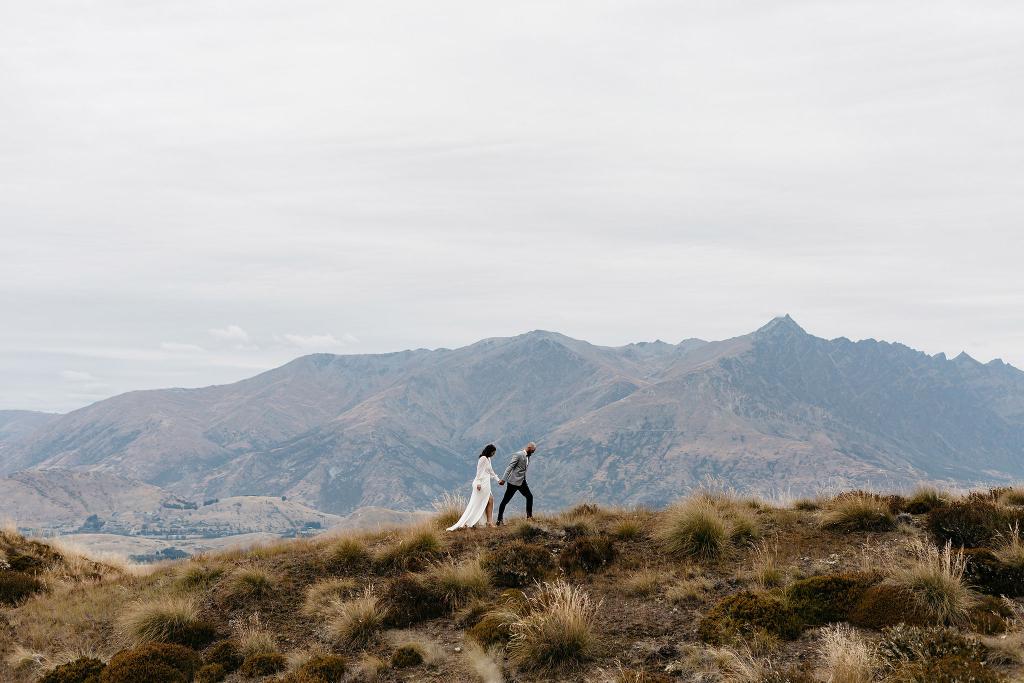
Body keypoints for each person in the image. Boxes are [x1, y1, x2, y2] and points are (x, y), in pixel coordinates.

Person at [446, 444, 503, 531]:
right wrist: (479, 483)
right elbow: (479, 471)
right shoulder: (483, 458)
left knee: (489, 500)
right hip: (481, 483)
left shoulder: (488, 459)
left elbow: (491, 471)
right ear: (489, 451)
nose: (493, 454)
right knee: (478, 503)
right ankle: (470, 522)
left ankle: (488, 522)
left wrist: (498, 480)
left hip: (486, 483)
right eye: (493, 452)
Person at [496, 442, 536, 526]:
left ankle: (529, 517)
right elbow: (510, 467)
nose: (533, 452)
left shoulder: (528, 456)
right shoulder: (518, 454)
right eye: (533, 450)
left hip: (522, 482)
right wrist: (503, 479)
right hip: (513, 482)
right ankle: (499, 520)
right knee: (505, 501)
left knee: (529, 496)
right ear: (529, 447)